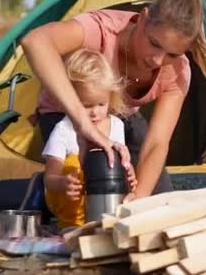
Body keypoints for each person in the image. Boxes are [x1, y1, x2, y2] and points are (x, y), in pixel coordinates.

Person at [22, 0, 206, 201]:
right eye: (154, 43)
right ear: (142, 18)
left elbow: (157, 143)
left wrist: (138, 197)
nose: (157, 60)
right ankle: (43, 191)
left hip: (120, 116)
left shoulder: (178, 72)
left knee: (156, 198)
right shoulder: (101, 30)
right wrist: (82, 122)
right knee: (90, 185)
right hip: (66, 113)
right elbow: (35, 41)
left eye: (172, 54)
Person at [42, 49, 137, 229]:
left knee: (113, 161)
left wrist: (129, 172)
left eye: (101, 104)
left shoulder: (116, 125)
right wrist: (63, 183)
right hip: (67, 199)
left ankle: (108, 220)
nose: (95, 112)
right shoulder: (64, 129)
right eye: (86, 106)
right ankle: (72, 224)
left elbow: (122, 162)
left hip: (104, 196)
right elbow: (49, 178)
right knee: (73, 164)